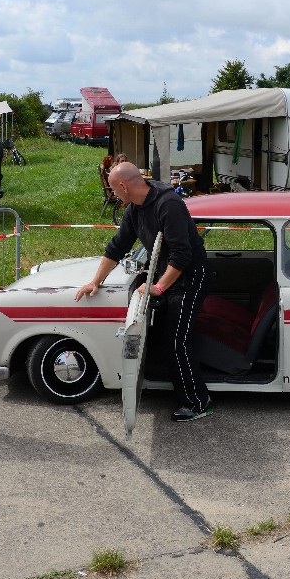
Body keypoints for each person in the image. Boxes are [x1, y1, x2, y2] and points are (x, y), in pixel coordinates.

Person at [74, 162, 213, 422]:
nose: (114, 196)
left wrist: (158, 286)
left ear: (124, 187)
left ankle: (198, 402)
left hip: (190, 277)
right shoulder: (135, 210)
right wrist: (96, 281)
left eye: (114, 190)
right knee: (167, 337)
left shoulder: (167, 204)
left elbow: (182, 256)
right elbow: (117, 246)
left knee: (177, 341)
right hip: (166, 274)